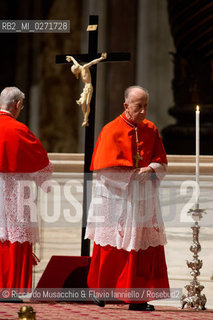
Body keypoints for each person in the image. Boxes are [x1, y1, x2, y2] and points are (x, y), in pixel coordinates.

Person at [85, 86, 169, 311]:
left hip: (142, 199)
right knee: (110, 246)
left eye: (146, 106)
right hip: (116, 199)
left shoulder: (151, 129)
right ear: (126, 105)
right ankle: (101, 293)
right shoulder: (111, 130)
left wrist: (151, 169)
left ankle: (137, 298)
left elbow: (161, 160)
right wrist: (133, 175)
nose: (143, 111)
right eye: (138, 106)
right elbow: (104, 169)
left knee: (142, 248)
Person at [0, 87, 52, 292]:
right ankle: (12, 289)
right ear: (18, 105)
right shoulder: (18, 130)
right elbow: (42, 163)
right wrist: (45, 183)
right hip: (15, 195)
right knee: (15, 237)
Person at [66, 53, 107, 127]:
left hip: (89, 87)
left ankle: (86, 119)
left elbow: (92, 62)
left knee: (87, 103)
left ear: (77, 69)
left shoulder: (84, 67)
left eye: (76, 72)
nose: (76, 74)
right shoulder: (79, 68)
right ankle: (85, 119)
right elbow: (75, 62)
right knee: (82, 104)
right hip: (85, 88)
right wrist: (71, 58)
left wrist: (101, 58)